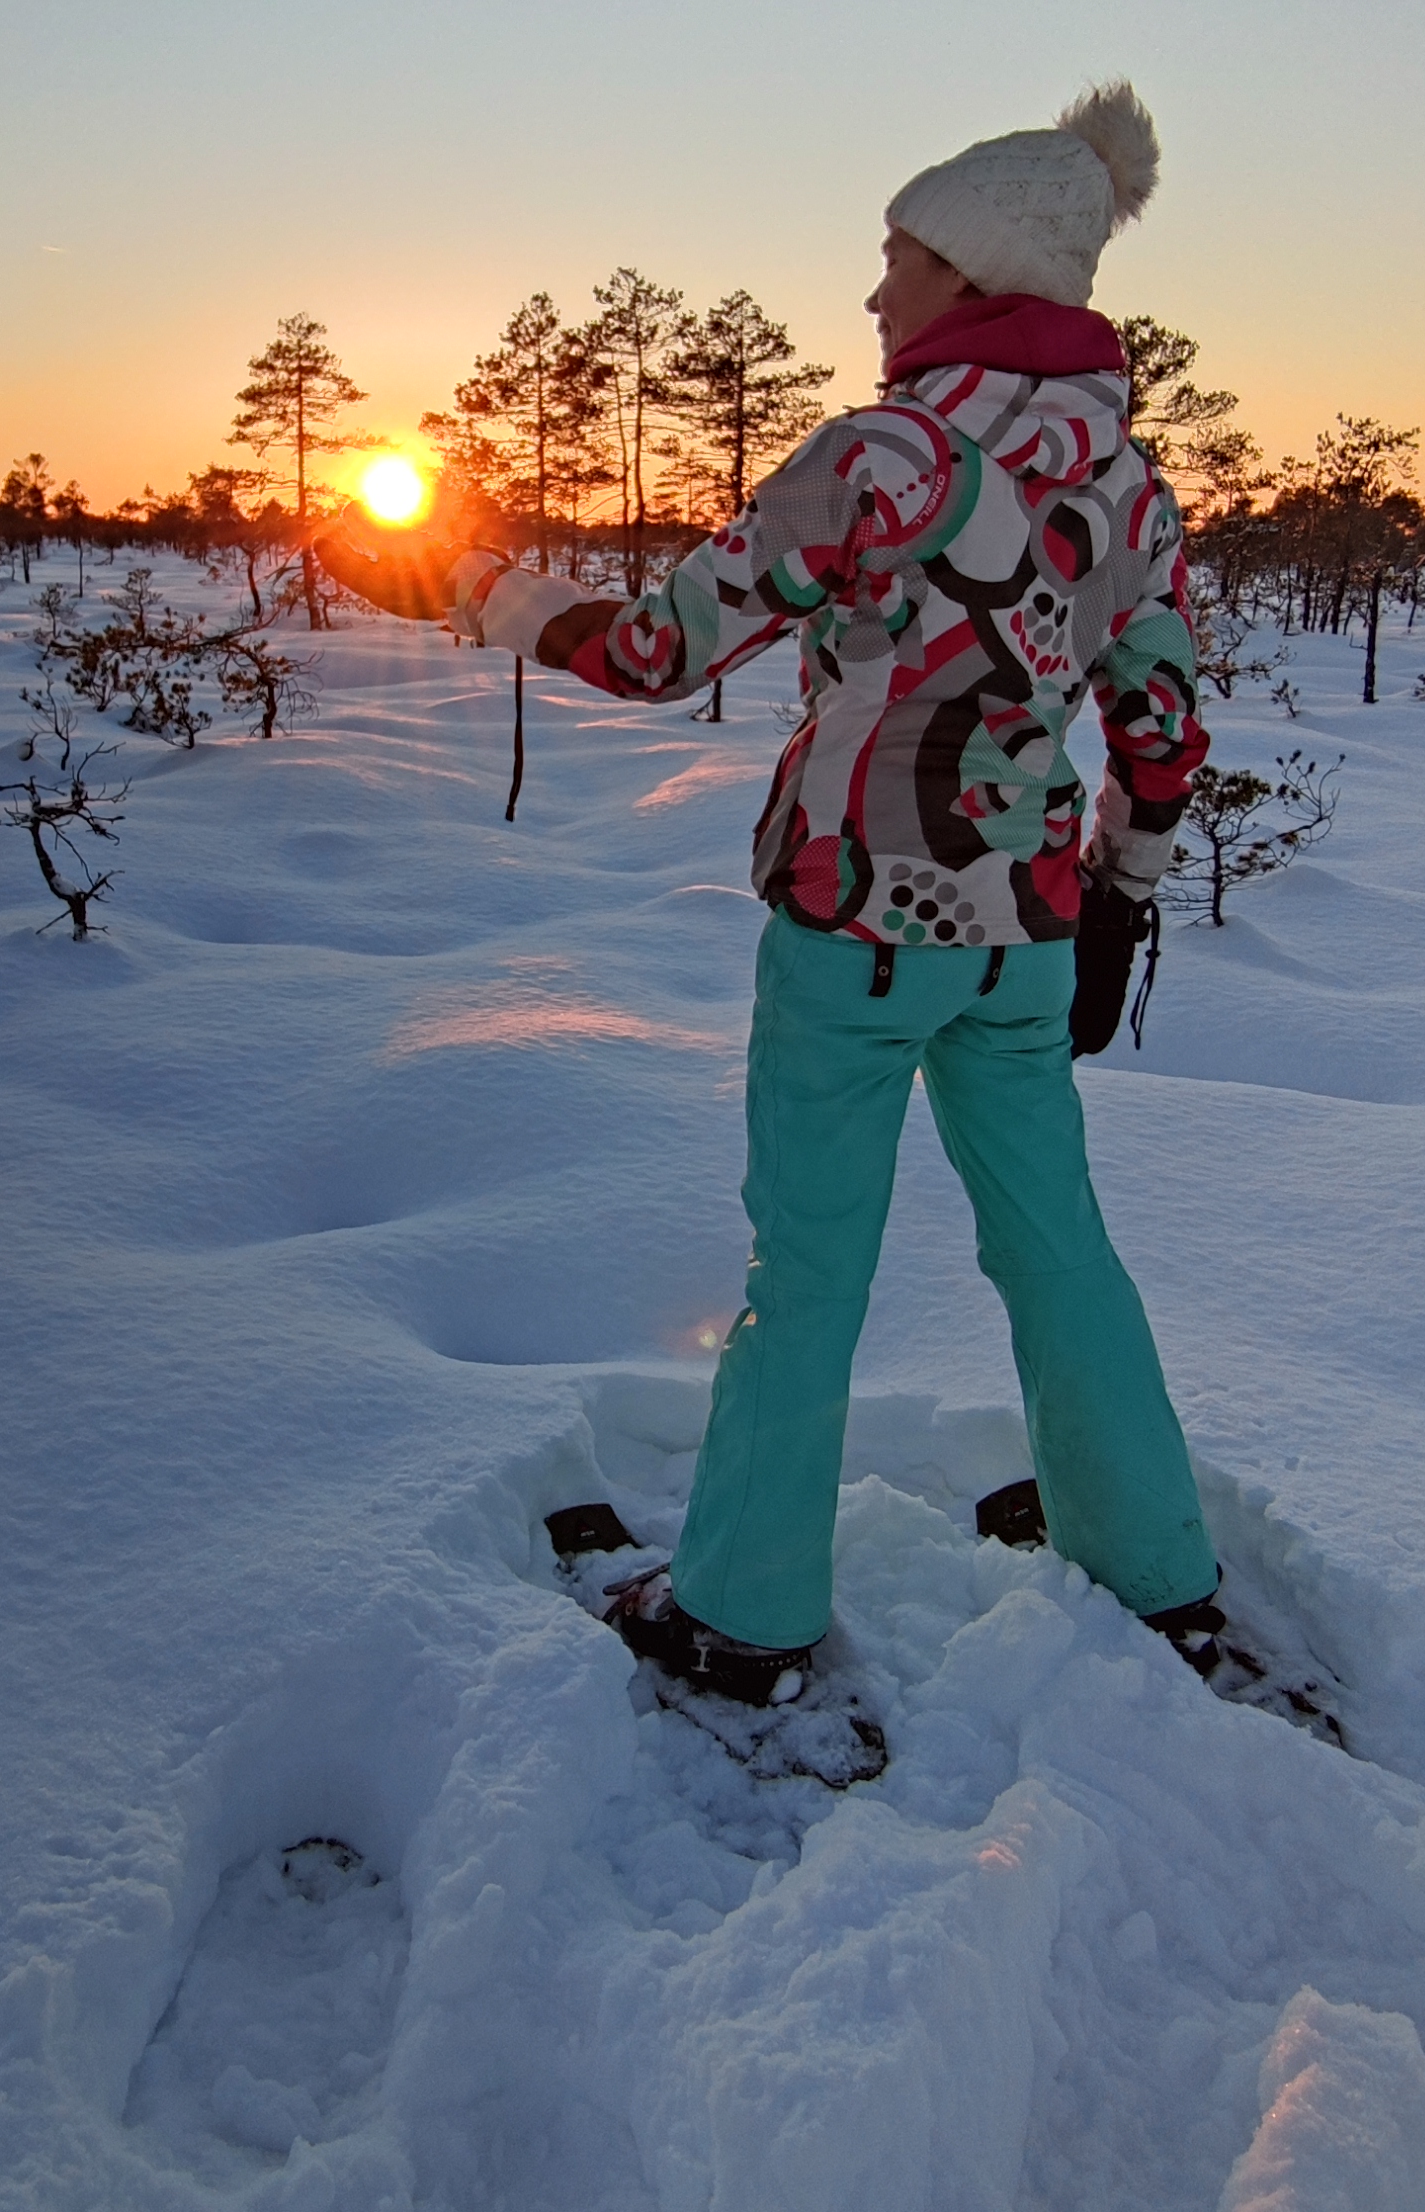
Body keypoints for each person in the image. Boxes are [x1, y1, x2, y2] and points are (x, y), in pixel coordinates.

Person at [323, 83, 1220, 1711]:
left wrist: (458, 579)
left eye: (897, 260)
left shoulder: (883, 459)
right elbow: (1160, 727)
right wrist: (1119, 904)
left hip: (857, 936)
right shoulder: (1133, 487)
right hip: (1024, 942)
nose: (875, 294)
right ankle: (1151, 1561)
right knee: (1060, 1248)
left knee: (807, 1273)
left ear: (975, 273)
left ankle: (740, 1613)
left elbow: (658, 655)